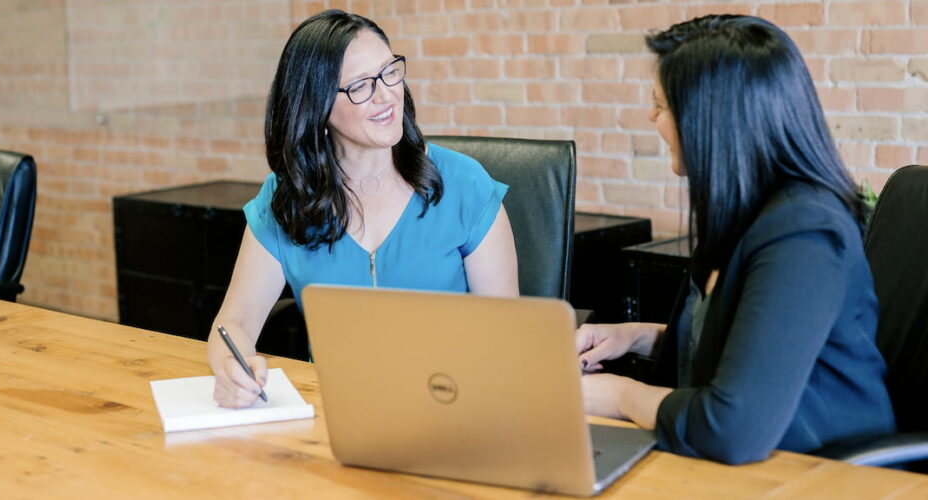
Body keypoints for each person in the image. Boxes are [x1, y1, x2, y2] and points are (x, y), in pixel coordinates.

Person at [575, 15, 896, 464]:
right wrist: (636, 337)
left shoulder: (804, 233)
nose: (651, 117)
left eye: (661, 105)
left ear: (711, 120)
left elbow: (731, 428)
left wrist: (619, 396)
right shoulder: (747, 212)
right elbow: (744, 345)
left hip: (822, 472)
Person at [207, 10, 518, 408]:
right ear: (317, 105)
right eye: (360, 86)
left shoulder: (464, 185)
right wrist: (231, 371)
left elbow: (507, 335)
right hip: (335, 412)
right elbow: (234, 323)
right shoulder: (286, 199)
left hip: (452, 405)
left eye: (390, 72)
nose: (387, 94)